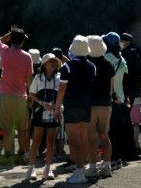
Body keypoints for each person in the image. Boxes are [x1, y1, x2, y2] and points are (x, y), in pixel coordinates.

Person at [54, 35, 96, 185]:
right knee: (83, 139)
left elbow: (61, 91)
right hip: (86, 105)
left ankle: (79, 171)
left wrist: (57, 108)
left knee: (73, 140)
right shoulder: (92, 66)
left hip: (72, 106)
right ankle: (81, 169)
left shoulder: (67, 67)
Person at [0, 26, 33, 164]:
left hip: (5, 95)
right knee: (23, 129)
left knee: (7, 129)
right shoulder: (27, 56)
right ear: (23, 41)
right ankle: (22, 155)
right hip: (21, 96)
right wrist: (30, 96)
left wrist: (9, 34)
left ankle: (8, 155)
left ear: (11, 39)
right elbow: (29, 78)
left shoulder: (4, 51)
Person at [103, 32, 137, 165]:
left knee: (111, 131)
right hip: (122, 99)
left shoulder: (106, 58)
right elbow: (126, 81)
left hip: (111, 99)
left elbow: (106, 82)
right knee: (120, 130)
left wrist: (113, 95)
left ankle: (113, 157)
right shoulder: (122, 59)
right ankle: (120, 157)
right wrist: (126, 97)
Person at [27, 52, 61, 181]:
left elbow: (62, 94)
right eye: (50, 62)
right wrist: (42, 103)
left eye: (55, 62)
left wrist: (57, 105)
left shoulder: (59, 77)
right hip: (39, 112)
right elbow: (31, 94)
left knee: (50, 141)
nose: (53, 64)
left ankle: (48, 169)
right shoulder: (38, 78)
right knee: (36, 140)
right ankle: (31, 169)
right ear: (44, 64)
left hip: (54, 112)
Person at [87, 35, 114, 178]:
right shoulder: (108, 64)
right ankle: (107, 166)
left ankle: (93, 167)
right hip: (105, 103)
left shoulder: (88, 64)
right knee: (104, 135)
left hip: (91, 104)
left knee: (91, 137)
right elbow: (111, 87)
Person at [120, 33, 141, 152]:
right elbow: (139, 73)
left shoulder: (123, 54)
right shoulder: (135, 53)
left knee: (126, 117)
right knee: (133, 118)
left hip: (125, 90)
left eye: (122, 40)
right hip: (134, 90)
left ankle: (128, 143)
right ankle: (134, 143)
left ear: (126, 42)